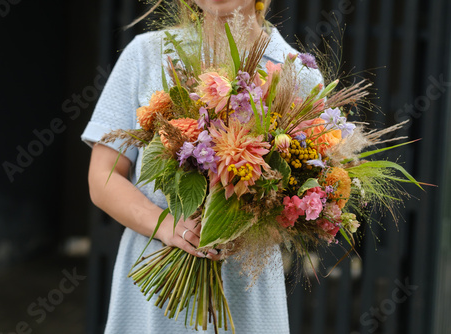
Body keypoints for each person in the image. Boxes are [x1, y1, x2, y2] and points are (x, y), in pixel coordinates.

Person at [82, 0, 323, 333]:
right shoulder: (147, 53)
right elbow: (103, 178)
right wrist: (168, 226)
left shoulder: (299, 72)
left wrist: (251, 221)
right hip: (154, 280)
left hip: (245, 281)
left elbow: (308, 194)